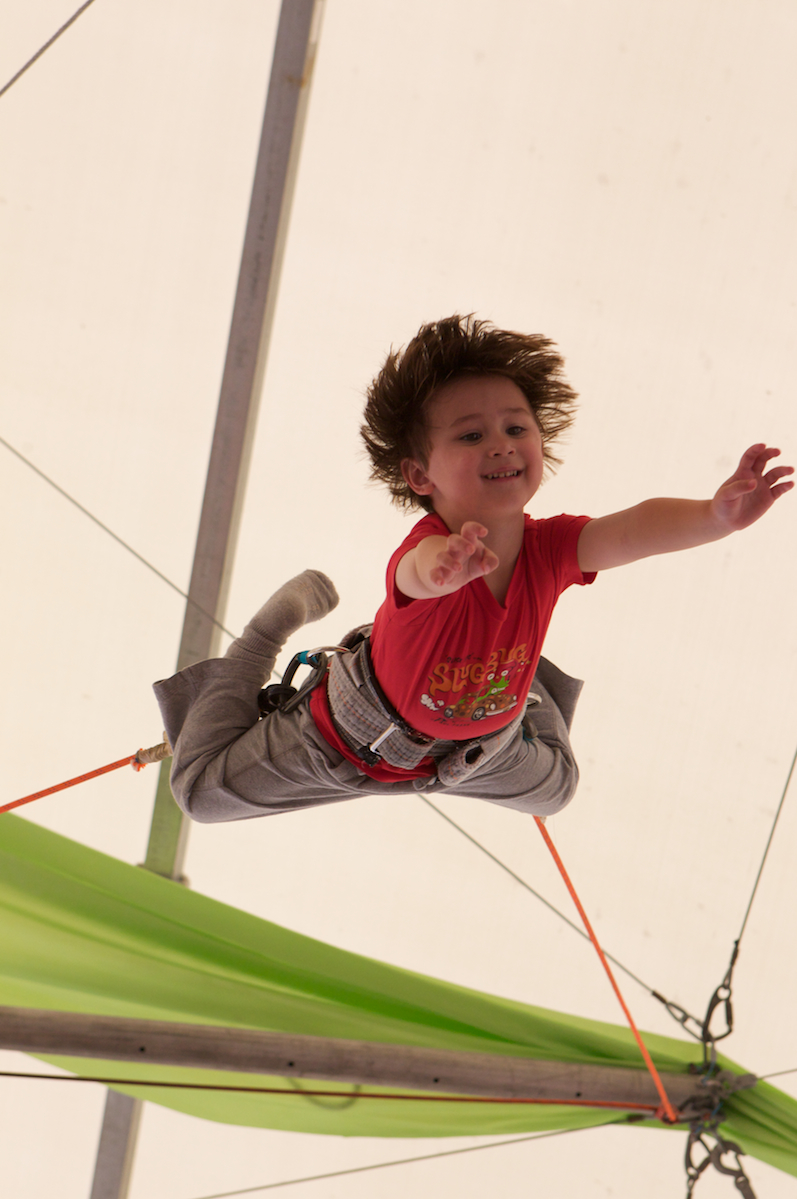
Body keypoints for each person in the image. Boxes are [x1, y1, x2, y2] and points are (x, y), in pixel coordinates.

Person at [154, 316, 793, 823]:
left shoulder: (552, 547)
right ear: (419, 475)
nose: (501, 444)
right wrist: (445, 572)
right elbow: (414, 574)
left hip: (478, 752)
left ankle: (522, 683)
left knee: (557, 790)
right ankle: (266, 631)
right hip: (346, 739)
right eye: (470, 435)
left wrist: (715, 516)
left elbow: (633, 529)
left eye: (516, 428)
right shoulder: (429, 548)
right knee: (201, 794)